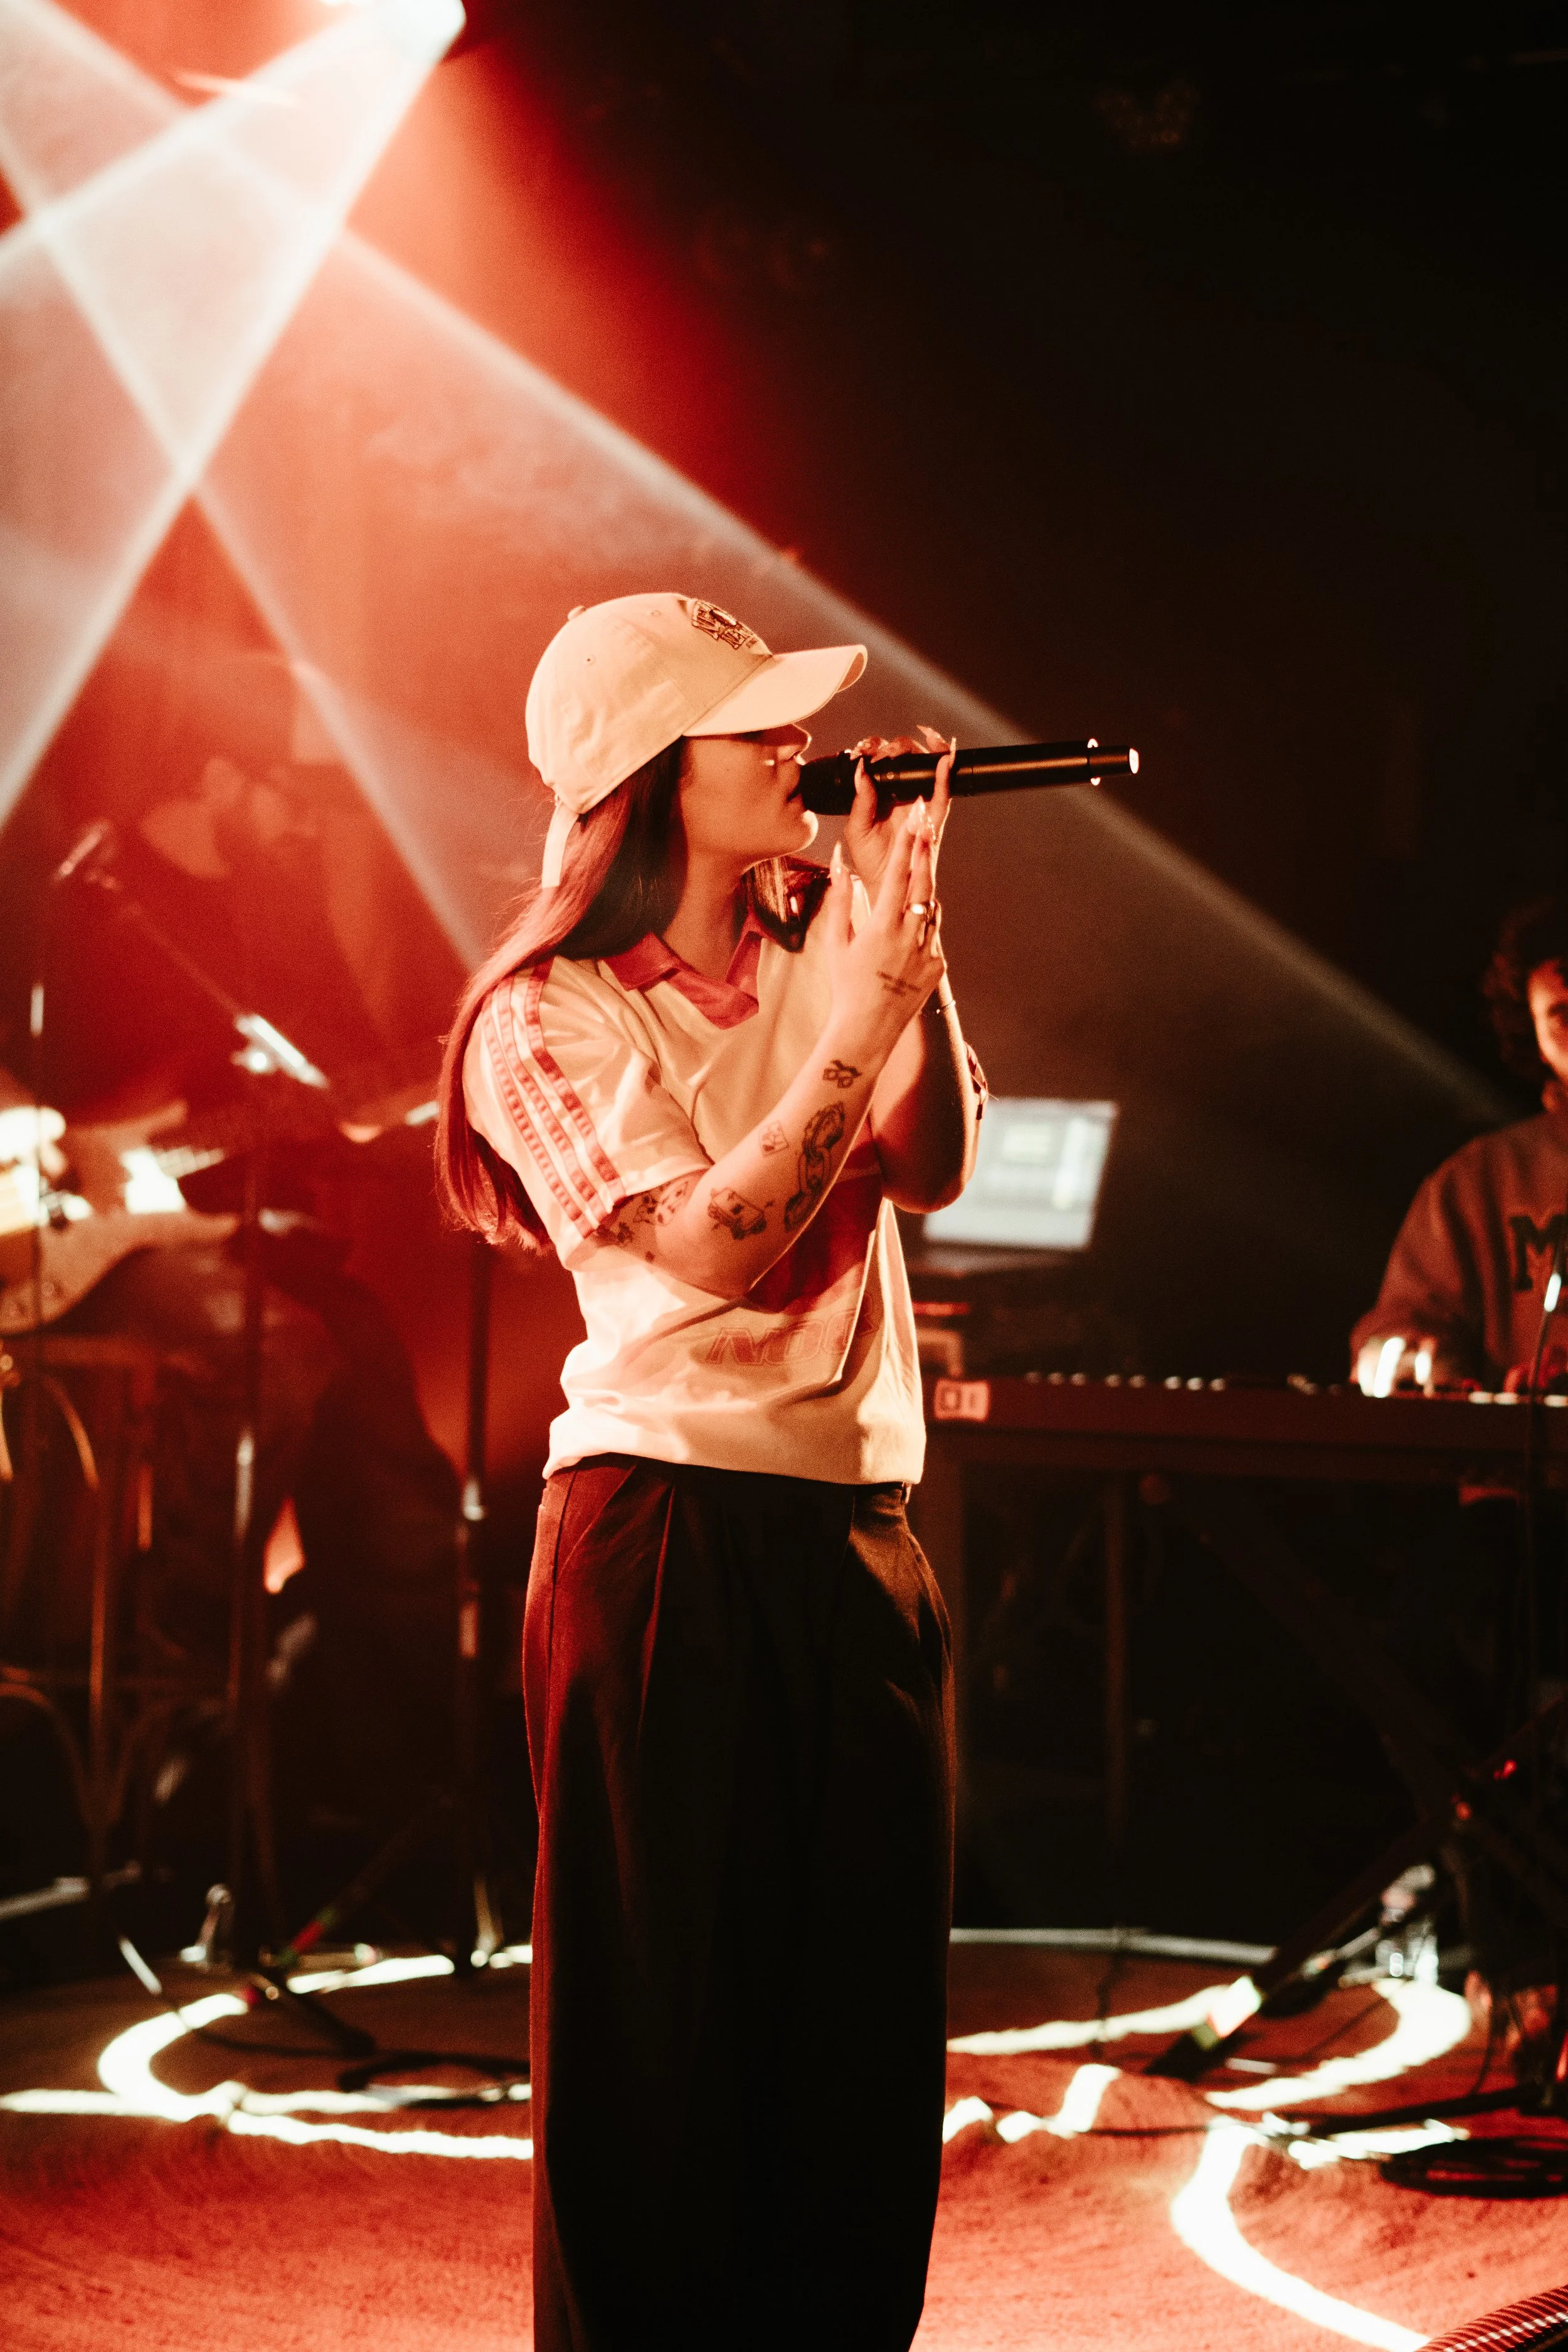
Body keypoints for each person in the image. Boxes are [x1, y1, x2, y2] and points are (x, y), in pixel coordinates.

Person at [435, 593, 983, 2352]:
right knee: (660, 2051)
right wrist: (859, 998)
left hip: (861, 1533)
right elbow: (709, 1249)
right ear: (650, 771)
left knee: (860, 2047)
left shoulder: (824, 935)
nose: (794, 752)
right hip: (663, 1526)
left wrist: (908, 944)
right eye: (751, 724)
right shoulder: (546, 1016)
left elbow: (936, 1161)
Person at [1353, 894, 1568, 1393]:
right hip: (1522, 1470)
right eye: (1561, 1014)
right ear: (1532, 1033)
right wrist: (1435, 1371)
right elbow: (1393, 1344)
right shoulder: (1481, 1180)